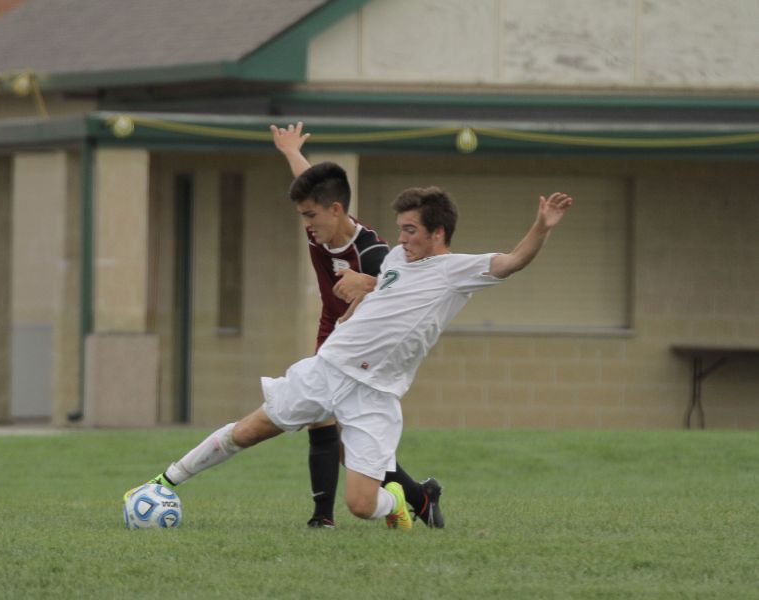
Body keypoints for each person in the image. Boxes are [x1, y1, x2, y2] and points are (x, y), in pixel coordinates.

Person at [126, 184, 573, 530]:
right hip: (328, 368)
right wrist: (366, 290)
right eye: (400, 228)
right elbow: (393, 292)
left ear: (438, 233)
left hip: (374, 394)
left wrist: (543, 225)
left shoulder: (457, 273)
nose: (401, 237)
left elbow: (514, 261)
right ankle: (163, 482)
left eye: (411, 229)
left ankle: (398, 502)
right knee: (249, 430)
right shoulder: (398, 257)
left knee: (361, 506)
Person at [268, 122, 444, 530]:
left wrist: (373, 282)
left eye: (313, 213)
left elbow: (407, 287)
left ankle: (418, 496)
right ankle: (323, 517)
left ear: (335, 210)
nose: (307, 222)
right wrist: (291, 151)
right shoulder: (319, 227)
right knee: (319, 415)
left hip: (363, 344)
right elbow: (311, 187)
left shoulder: (374, 251)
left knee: (353, 447)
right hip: (331, 326)